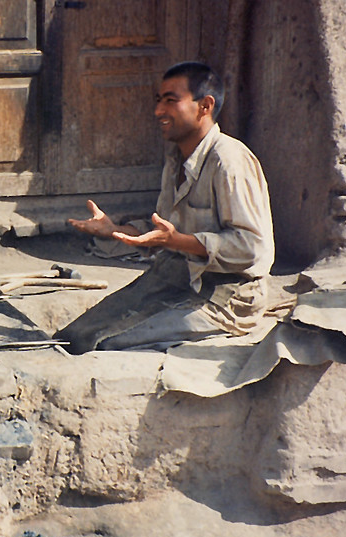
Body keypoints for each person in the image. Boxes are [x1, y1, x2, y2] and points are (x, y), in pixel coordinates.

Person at [56, 61, 274, 354]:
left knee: (107, 343)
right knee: (75, 336)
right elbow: (163, 229)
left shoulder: (229, 160)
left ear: (205, 106)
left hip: (225, 297)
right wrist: (114, 231)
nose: (159, 111)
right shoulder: (176, 159)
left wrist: (176, 241)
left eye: (171, 101)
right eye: (159, 101)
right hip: (174, 279)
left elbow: (251, 247)